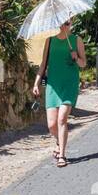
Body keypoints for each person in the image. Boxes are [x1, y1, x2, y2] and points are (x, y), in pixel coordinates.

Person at [32, 18, 85, 166]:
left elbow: (83, 64)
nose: (65, 24)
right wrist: (37, 83)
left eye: (68, 22)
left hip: (69, 84)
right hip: (53, 85)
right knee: (51, 125)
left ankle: (62, 154)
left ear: (72, 23)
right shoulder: (49, 41)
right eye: (62, 22)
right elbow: (43, 64)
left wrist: (76, 57)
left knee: (62, 119)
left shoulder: (76, 40)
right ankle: (58, 141)